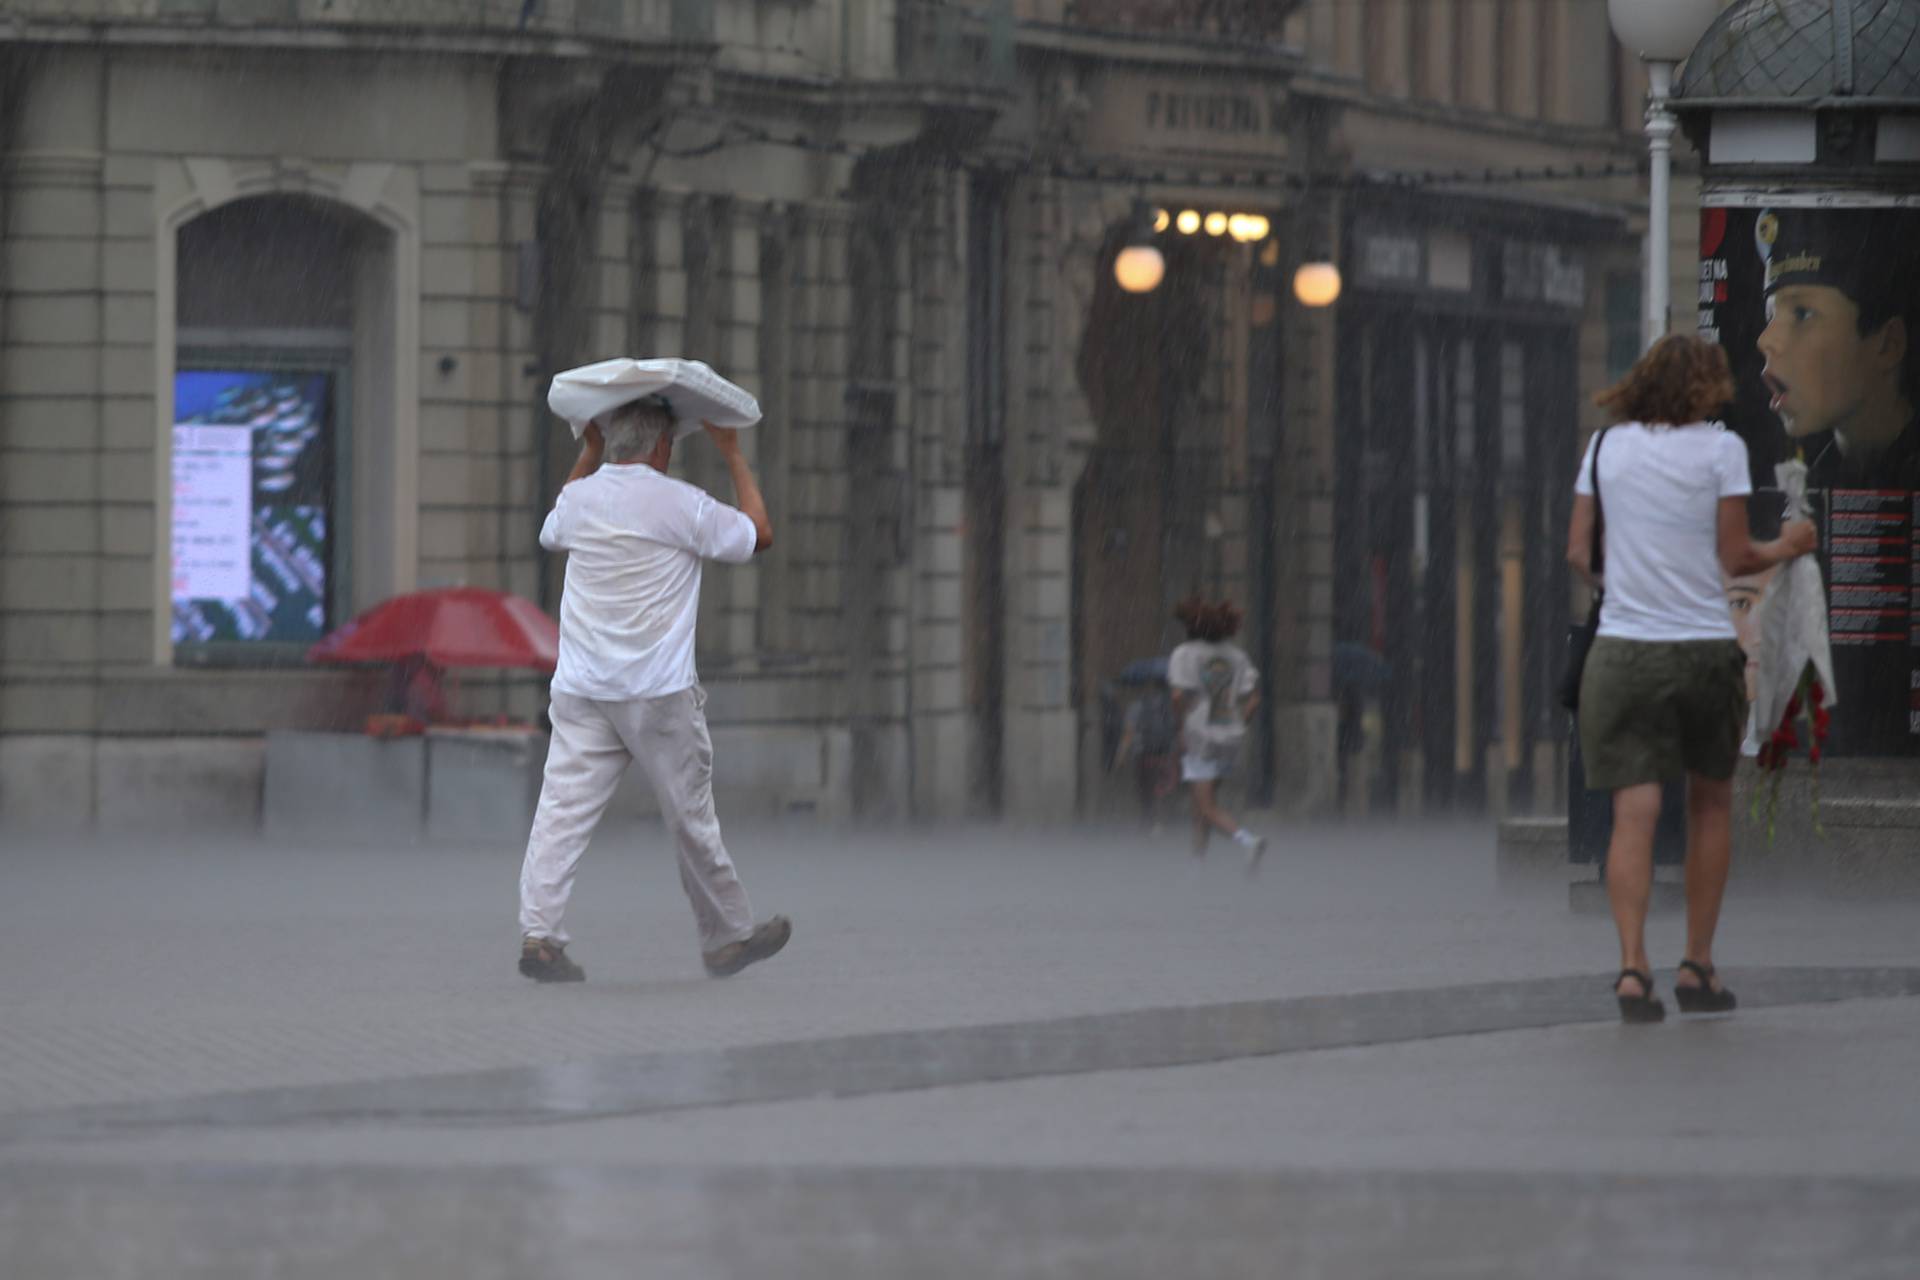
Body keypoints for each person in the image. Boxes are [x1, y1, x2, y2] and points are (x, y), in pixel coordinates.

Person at [1567, 335, 1817, 1023]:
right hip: (1700, 650)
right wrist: (1788, 546)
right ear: (1704, 388)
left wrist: (1624, 588)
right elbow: (1736, 557)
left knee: (1632, 814)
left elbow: (1578, 553)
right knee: (1708, 806)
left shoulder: (1603, 449)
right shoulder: (1720, 451)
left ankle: (1630, 967)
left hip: (1620, 652)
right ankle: (1697, 965)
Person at [516, 397, 790, 983]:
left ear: (614, 444)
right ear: (662, 447)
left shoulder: (581, 498)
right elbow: (758, 535)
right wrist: (734, 454)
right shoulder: (680, 503)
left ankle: (540, 935)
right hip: (654, 690)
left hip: (584, 686)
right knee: (690, 819)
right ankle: (727, 938)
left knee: (560, 813)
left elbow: (552, 527)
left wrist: (587, 451)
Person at [1755, 207, 1920, 490]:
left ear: (1888, 345)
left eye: (1802, 314)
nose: (1765, 340)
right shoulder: (1818, 477)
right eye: (1771, 317)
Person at [1167, 596, 1267, 867]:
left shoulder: (1184, 654)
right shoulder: (1238, 656)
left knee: (1206, 806)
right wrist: (1240, 721)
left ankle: (1248, 841)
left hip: (1200, 735)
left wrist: (1182, 723)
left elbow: (1177, 697)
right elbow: (1254, 698)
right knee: (1202, 806)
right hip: (1230, 736)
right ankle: (1196, 868)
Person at [1113, 677, 1179, 830]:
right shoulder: (1170, 707)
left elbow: (1128, 734)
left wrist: (1120, 756)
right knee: (1162, 788)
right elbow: (1176, 729)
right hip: (1165, 754)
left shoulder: (1137, 706)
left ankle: (1148, 820)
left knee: (1145, 789)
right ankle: (1160, 821)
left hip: (1144, 754)